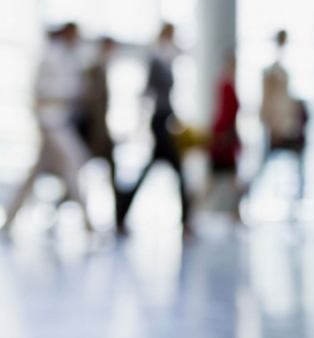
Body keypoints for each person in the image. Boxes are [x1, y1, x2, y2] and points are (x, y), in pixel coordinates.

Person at [2, 23, 93, 234]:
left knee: (36, 174)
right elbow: (44, 92)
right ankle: (88, 223)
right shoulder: (51, 57)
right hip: (52, 123)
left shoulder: (70, 57)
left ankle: (9, 220)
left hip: (60, 122)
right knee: (74, 164)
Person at [115, 22, 191, 235]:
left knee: (152, 171)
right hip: (160, 122)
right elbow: (149, 92)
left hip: (165, 120)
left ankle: (122, 214)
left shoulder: (166, 59)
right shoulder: (157, 59)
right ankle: (185, 220)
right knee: (176, 171)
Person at [259, 30, 308, 201]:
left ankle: (298, 197)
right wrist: (272, 126)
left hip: (285, 125)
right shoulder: (271, 73)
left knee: (297, 161)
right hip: (276, 126)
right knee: (264, 164)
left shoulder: (282, 71)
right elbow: (268, 102)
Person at [202, 52, 242, 221]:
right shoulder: (225, 84)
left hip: (227, 137)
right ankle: (193, 210)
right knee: (214, 180)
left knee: (231, 179)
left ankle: (237, 214)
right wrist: (224, 136)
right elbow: (225, 113)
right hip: (223, 138)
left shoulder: (229, 84)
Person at [80, 37, 119, 195]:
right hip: (93, 128)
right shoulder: (94, 69)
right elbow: (92, 103)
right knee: (76, 164)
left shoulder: (102, 68)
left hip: (99, 127)